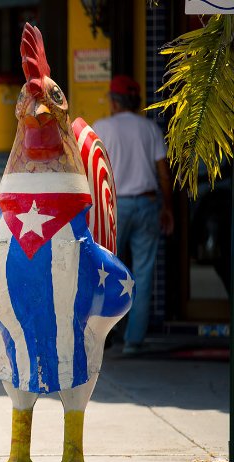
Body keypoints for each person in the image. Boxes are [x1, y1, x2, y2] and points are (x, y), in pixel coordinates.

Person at [93, 74, 174, 355]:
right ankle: (133, 340)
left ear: (114, 102)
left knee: (106, 270)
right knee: (143, 271)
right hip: (147, 203)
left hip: (113, 206)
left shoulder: (101, 128)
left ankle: (105, 332)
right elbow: (163, 174)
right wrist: (168, 207)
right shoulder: (150, 129)